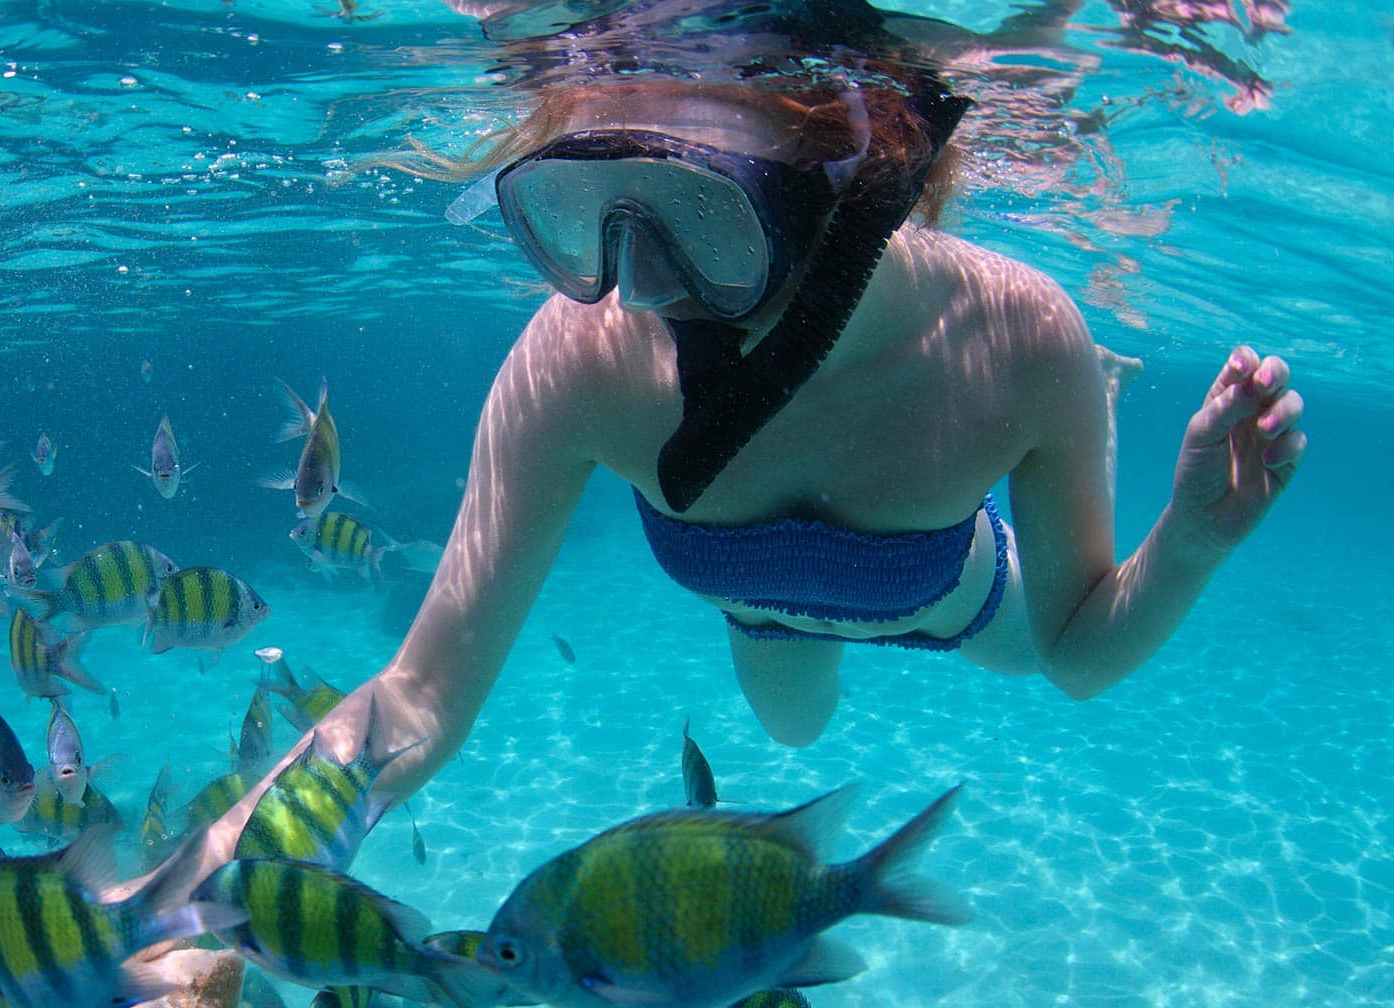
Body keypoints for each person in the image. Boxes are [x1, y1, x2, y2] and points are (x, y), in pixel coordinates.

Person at [160, 0, 1305, 894]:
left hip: (956, 592)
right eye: (591, 211)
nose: (642, 286)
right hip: (764, 619)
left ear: (858, 182)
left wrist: (1192, 543)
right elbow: (414, 699)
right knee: (794, 722)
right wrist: (192, 893)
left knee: (1002, 649)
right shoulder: (578, 361)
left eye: (702, 217)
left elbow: (1076, 653)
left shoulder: (1017, 340)